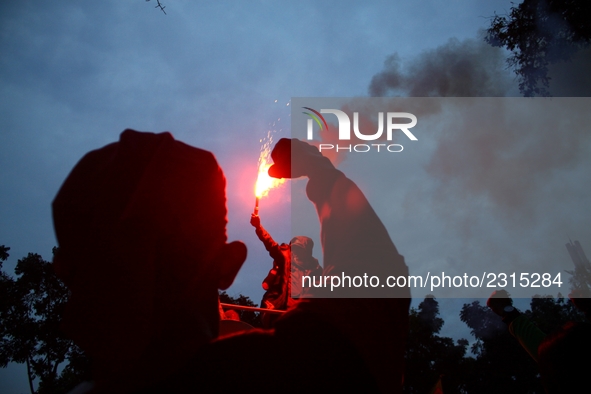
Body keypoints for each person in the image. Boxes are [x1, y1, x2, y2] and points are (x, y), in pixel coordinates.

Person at [54, 132, 410, 393]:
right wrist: (321, 173)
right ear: (228, 264)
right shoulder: (286, 372)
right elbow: (376, 281)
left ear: (65, 271)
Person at [250, 214, 322, 326]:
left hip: (300, 314)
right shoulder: (285, 258)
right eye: (293, 249)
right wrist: (258, 227)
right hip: (277, 307)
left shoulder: (316, 270)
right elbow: (271, 244)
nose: (295, 253)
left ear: (307, 253)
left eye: (299, 250)